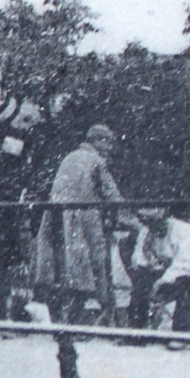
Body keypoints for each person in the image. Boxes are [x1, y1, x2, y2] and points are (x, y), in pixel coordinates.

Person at [30, 124, 142, 325]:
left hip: (57, 218)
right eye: (108, 142)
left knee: (62, 271)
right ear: (99, 141)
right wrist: (135, 222)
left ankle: (65, 321)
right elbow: (112, 196)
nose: (110, 148)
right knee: (92, 268)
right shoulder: (96, 161)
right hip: (81, 221)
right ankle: (99, 319)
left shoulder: (69, 157)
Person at [133, 209, 190, 336]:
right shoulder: (147, 232)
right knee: (141, 285)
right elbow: (139, 257)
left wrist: (162, 281)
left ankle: (184, 333)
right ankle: (137, 331)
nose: (151, 226)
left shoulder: (182, 231)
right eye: (147, 221)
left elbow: (187, 263)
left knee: (188, 286)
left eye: (155, 221)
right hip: (174, 270)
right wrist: (147, 274)